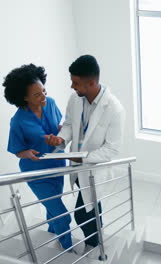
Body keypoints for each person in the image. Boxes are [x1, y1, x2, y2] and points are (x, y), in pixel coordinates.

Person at [45, 55, 125, 260]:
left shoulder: (115, 109)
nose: (72, 86)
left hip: (93, 168)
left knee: (83, 212)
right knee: (91, 206)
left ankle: (94, 242)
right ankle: (95, 237)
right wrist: (60, 141)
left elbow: (112, 150)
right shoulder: (75, 99)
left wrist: (84, 158)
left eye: (76, 83)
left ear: (92, 82)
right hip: (77, 165)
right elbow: (70, 125)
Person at [3, 64, 74, 250]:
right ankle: (66, 247)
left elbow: (60, 127)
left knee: (54, 203)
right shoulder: (18, 121)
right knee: (62, 215)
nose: (43, 96)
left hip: (58, 164)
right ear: (24, 98)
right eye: (37, 94)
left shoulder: (49, 102)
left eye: (43, 90)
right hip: (36, 173)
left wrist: (62, 134)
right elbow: (17, 149)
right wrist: (26, 153)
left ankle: (52, 229)